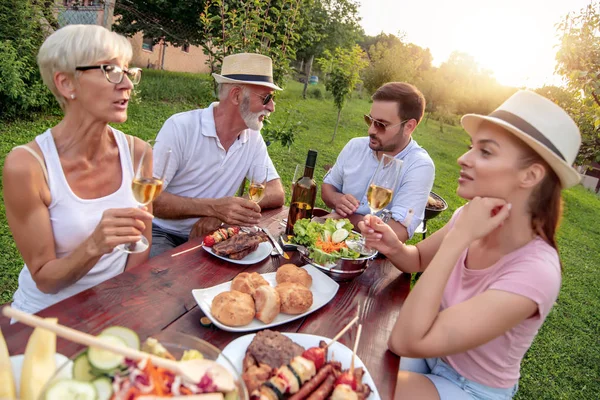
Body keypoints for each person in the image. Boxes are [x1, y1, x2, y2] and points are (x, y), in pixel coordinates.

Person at [358, 90, 582, 399]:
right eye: (470, 148)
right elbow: (418, 258)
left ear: (530, 175)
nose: (463, 159)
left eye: (486, 152)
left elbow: (404, 341)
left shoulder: (536, 272)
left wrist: (459, 237)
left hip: (471, 386)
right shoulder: (471, 215)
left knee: (364, 388)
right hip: (429, 352)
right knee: (357, 346)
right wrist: (394, 246)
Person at [3, 25, 153, 315]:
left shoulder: (139, 153)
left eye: (128, 71)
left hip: (114, 307)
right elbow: (45, 279)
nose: (128, 85)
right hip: (46, 318)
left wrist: (117, 306)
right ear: (66, 84)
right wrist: (95, 244)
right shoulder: (28, 165)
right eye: (110, 69)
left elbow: (142, 244)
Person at [150, 53, 285, 257]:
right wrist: (213, 208)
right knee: (166, 285)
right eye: (266, 98)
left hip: (216, 234)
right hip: (162, 232)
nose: (272, 107)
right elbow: (150, 199)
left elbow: (276, 191)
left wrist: (226, 214)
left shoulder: (252, 137)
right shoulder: (180, 128)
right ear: (236, 96)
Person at [321, 82, 435, 242]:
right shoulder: (355, 146)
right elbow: (328, 187)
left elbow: (398, 232)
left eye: (381, 124)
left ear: (409, 126)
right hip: (330, 242)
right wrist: (336, 199)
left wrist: (346, 219)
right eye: (370, 120)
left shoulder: (419, 166)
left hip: (373, 257)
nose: (371, 130)